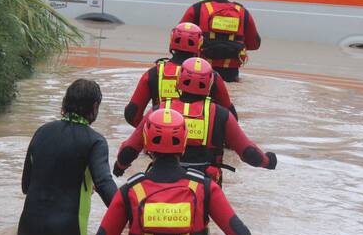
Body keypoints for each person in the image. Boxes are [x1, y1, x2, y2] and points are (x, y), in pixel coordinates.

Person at [92, 108, 269, 235]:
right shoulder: (205, 188)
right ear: (183, 143)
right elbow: (240, 234)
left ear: (147, 143)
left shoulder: (130, 191)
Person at [114, 57, 276, 184]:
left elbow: (130, 148)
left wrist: (119, 167)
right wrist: (268, 161)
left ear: (179, 79)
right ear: (210, 84)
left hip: (161, 179)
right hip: (205, 185)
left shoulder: (159, 111)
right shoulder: (221, 114)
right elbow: (248, 152)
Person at [17, 79, 117, 235]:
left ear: (65, 103)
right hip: (68, 233)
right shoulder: (95, 141)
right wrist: (131, 214)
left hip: (28, 230)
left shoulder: (42, 132)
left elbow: (26, 186)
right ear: (94, 107)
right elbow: (104, 184)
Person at [124, 22, 236, 127]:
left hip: (161, 139)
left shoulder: (153, 74)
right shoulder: (212, 76)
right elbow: (231, 117)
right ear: (200, 44)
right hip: (201, 144)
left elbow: (131, 114)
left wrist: (149, 130)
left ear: (172, 41)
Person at [179, 0, 261, 82]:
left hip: (200, 72)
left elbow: (179, 39)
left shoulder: (197, 9)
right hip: (231, 73)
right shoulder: (242, 11)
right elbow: (254, 44)